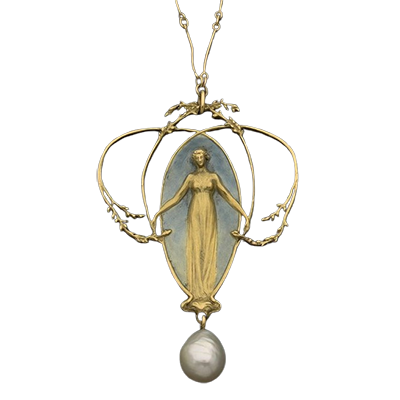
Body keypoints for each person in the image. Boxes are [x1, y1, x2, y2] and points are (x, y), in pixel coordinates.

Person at [152, 148, 250, 301]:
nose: (199, 159)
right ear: (193, 159)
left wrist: (244, 215)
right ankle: (196, 288)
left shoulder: (213, 177)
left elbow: (227, 196)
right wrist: (158, 213)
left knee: (208, 245)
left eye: (201, 156)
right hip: (195, 212)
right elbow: (177, 197)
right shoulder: (190, 178)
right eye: (196, 157)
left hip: (209, 213)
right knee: (196, 246)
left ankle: (207, 288)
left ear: (206, 158)